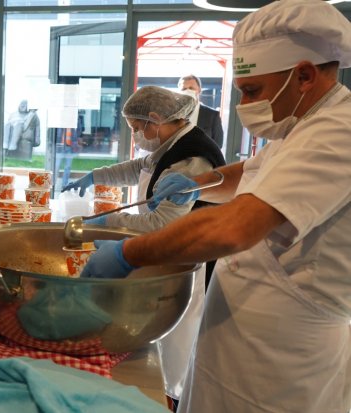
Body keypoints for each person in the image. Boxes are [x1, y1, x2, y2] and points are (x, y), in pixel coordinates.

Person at [81, 1, 351, 412]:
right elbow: (248, 173)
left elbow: (233, 229)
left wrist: (126, 253)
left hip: (285, 355)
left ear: (304, 75)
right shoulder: (302, 124)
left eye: (253, 91)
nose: (244, 105)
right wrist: (195, 184)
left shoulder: (338, 132)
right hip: (243, 331)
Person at [62, 86, 225, 410]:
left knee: (171, 349)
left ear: (155, 119)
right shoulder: (170, 143)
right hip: (161, 252)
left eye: (137, 129)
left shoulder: (192, 158)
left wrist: (108, 225)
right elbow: (139, 168)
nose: (136, 136)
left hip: (184, 262)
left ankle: (167, 400)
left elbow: (161, 226)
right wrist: (96, 176)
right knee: (152, 340)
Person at [178, 74, 224, 149]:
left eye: (191, 88)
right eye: (184, 89)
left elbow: (218, 145)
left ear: (199, 90)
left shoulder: (212, 115)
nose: (188, 91)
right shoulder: (172, 113)